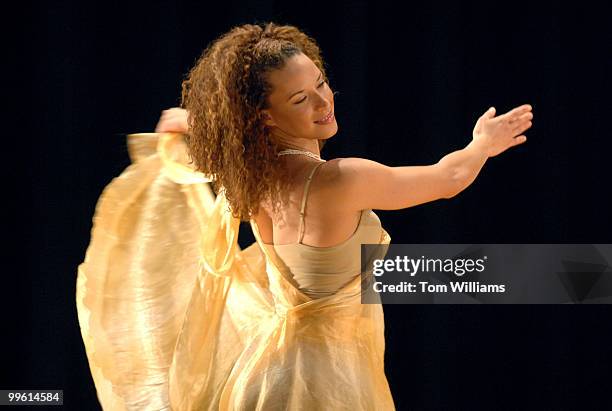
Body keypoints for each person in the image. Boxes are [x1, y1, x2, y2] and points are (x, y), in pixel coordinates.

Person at [76, 22, 533, 410]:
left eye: (320, 83)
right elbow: (448, 177)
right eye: (300, 100)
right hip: (327, 385)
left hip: (260, 379)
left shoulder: (245, 173)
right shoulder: (340, 180)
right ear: (264, 118)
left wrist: (186, 121)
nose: (323, 102)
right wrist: (483, 144)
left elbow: (203, 124)